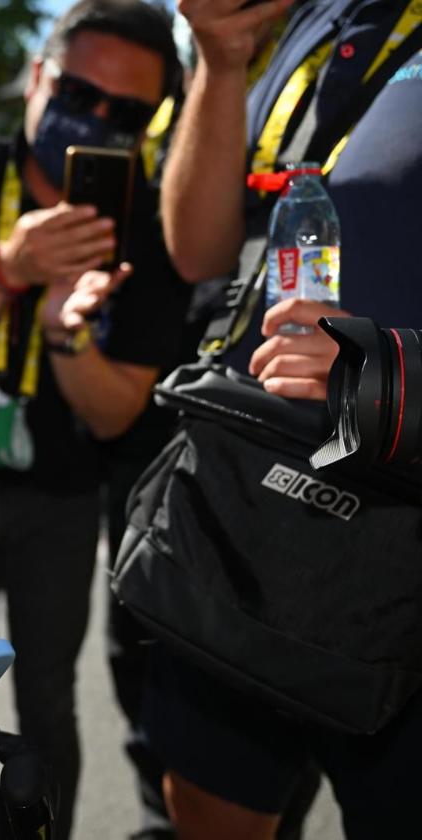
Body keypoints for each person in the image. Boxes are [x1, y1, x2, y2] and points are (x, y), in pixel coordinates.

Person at [151, 0, 422, 835]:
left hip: (400, 539)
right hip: (247, 513)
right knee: (206, 801)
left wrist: (398, 379)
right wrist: (222, 62)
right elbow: (196, 254)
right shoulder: (299, 17)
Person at [0, 1, 186, 835]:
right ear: (38, 76)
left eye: (129, 113)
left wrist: (61, 332)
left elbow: (117, 418)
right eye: (80, 91)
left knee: (46, 703)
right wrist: (8, 271)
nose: (98, 120)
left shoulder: (151, 227)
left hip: (62, 502)